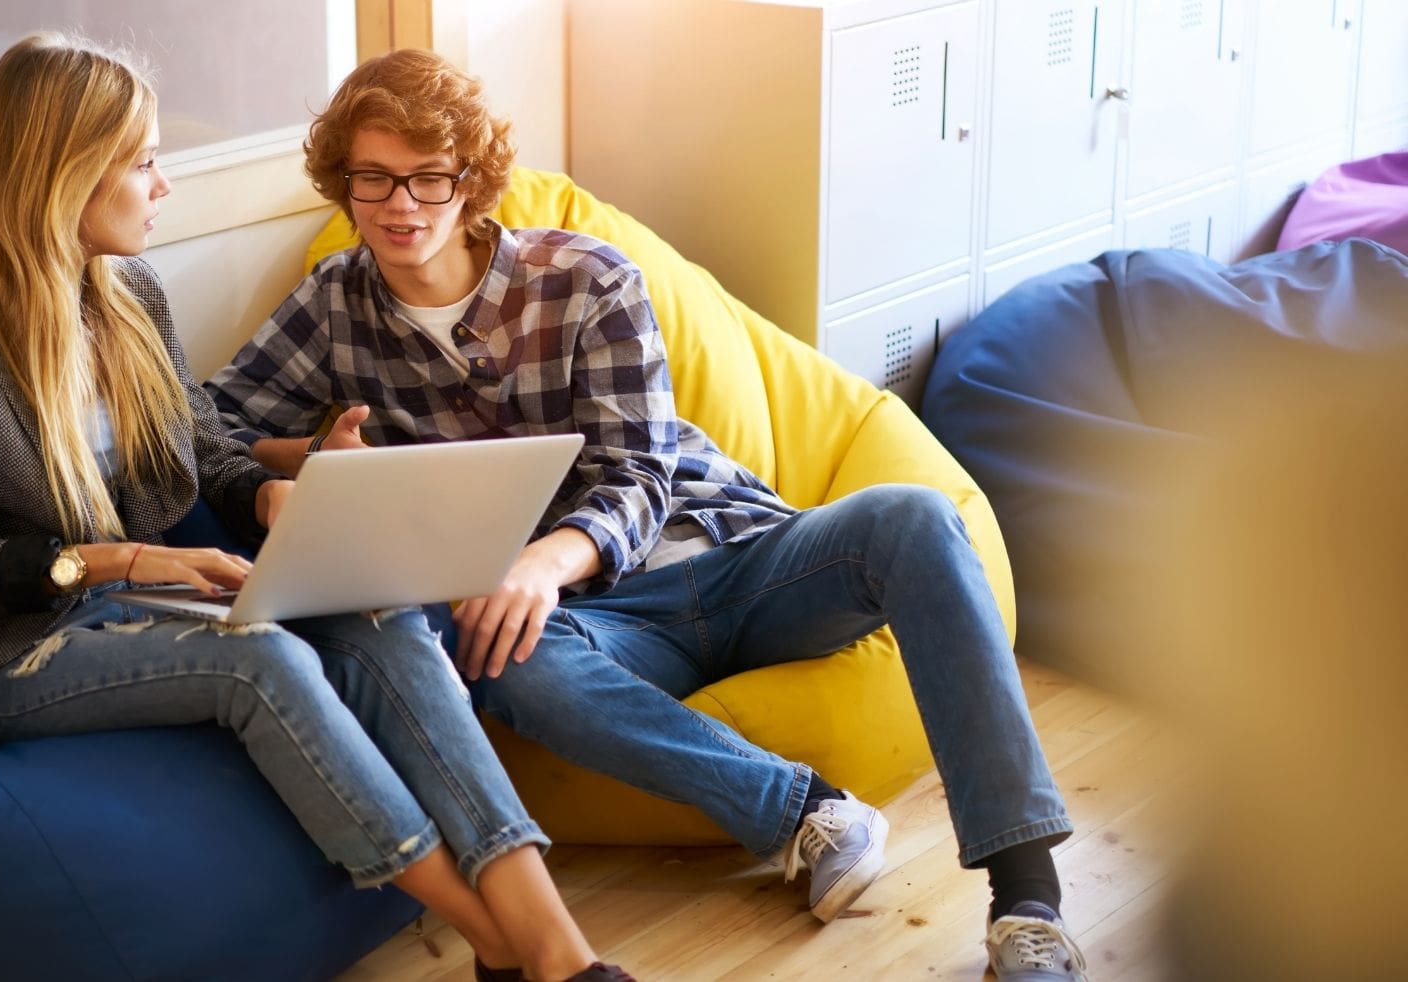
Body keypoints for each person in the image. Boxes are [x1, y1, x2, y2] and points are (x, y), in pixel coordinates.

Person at [207, 48, 1088, 981]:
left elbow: (638, 471)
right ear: (342, 181)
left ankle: (1026, 900)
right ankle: (803, 813)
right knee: (500, 654)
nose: (399, 205)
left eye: (429, 176)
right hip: (598, 628)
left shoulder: (586, 277)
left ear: (472, 182)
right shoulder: (333, 304)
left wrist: (542, 563)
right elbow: (200, 420)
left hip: (737, 556)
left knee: (916, 515)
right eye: (373, 178)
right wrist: (302, 463)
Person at [0, 34, 631, 982]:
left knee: (383, 613)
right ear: (68, 171)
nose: (163, 187)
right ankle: (500, 941)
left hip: (149, 606)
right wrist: (123, 561)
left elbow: (209, 449)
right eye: (143, 162)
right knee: (257, 656)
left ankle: (552, 946)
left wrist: (285, 493)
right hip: (24, 650)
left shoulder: (129, 294)